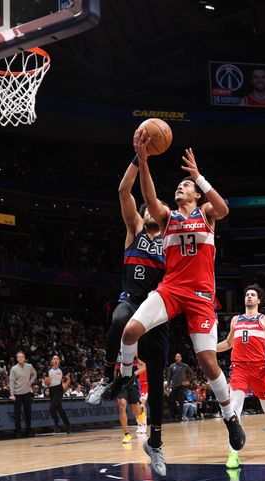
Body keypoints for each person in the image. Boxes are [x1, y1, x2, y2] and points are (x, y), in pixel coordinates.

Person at [119, 132, 245, 477]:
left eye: (183, 186)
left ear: (195, 192)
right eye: (177, 186)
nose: (179, 189)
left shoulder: (206, 213)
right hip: (172, 289)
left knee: (207, 360)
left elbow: (223, 208)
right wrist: (143, 161)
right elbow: (147, 195)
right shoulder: (166, 218)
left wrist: (199, 177)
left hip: (202, 295)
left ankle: (230, 419)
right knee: (130, 330)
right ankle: (125, 377)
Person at [86, 144, 171, 452]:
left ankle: (156, 441)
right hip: (132, 300)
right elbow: (124, 190)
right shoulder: (134, 228)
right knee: (120, 318)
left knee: (157, 374)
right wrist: (139, 157)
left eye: (155, 207)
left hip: (159, 308)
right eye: (147, 206)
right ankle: (109, 377)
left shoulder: (169, 240)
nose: (150, 209)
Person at [216, 284, 265, 469]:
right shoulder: (235, 320)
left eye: (252, 295)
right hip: (239, 368)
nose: (249, 296)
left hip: (260, 370)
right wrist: (208, 350)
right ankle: (233, 454)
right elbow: (228, 343)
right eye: (247, 294)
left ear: (258, 300)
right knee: (234, 410)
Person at [116, 357, 146, 444]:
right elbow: (115, 370)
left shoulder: (135, 356)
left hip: (133, 384)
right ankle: (126, 434)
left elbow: (144, 366)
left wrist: (135, 373)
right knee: (121, 406)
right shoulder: (119, 355)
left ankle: (142, 411)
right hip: (121, 384)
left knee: (136, 412)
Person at [9, 351, 37, 437]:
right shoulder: (13, 369)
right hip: (17, 394)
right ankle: (18, 432)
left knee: (28, 413)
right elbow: (12, 382)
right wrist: (12, 394)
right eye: (19, 357)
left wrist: (31, 382)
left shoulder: (29, 366)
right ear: (17, 359)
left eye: (22, 357)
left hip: (27, 393)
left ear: (24, 358)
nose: (21, 358)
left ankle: (28, 431)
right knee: (17, 414)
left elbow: (34, 374)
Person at [45, 355, 71, 433]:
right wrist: (47, 382)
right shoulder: (48, 370)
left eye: (57, 359)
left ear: (59, 361)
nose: (55, 360)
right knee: (60, 409)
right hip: (51, 390)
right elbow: (46, 382)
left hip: (59, 390)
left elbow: (68, 379)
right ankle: (68, 425)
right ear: (52, 361)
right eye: (54, 359)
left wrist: (66, 385)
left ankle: (56, 424)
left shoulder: (62, 369)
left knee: (51, 408)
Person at [167, 354, 192, 421]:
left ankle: (180, 418)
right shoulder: (172, 366)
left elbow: (191, 373)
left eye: (179, 356)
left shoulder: (185, 366)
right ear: (175, 358)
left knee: (181, 402)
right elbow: (169, 376)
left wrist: (188, 381)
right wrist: (168, 385)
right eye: (176, 356)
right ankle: (176, 414)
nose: (177, 358)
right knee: (172, 402)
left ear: (181, 358)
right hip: (174, 386)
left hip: (181, 386)